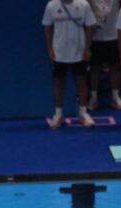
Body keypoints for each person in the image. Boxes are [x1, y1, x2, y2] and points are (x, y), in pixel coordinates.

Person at [43, 0, 98, 128]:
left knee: (82, 82)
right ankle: (58, 114)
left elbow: (90, 26)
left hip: (79, 52)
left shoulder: (83, 4)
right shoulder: (52, 5)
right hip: (59, 53)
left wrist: (87, 48)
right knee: (58, 83)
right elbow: (47, 27)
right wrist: (50, 49)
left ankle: (83, 113)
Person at [88, 0, 121, 112]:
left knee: (115, 67)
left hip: (113, 35)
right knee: (94, 68)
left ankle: (115, 97)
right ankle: (93, 98)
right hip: (94, 36)